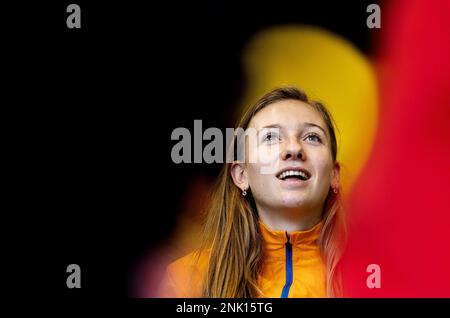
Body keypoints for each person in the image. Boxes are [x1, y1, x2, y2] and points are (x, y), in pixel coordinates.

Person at [158, 87, 347, 298]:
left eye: (312, 137)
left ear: (334, 174)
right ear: (241, 175)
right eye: (271, 138)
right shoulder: (185, 280)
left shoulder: (375, 275)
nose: (293, 149)